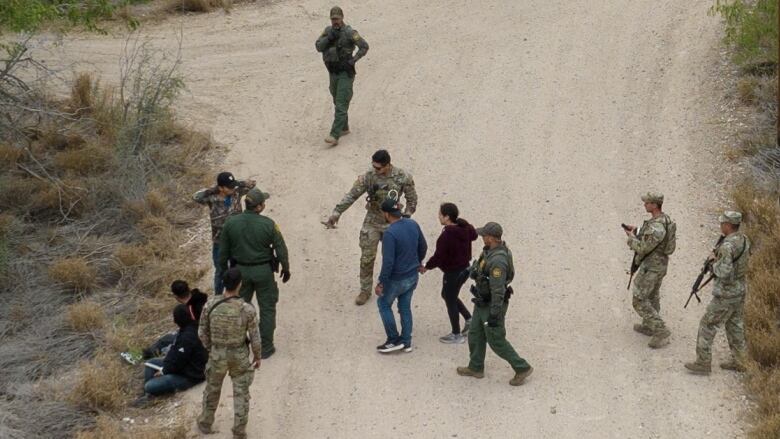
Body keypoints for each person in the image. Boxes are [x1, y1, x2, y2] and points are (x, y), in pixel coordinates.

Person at [322, 150, 417, 306]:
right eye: (373, 166)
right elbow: (352, 195)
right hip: (372, 221)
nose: (375, 170)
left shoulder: (402, 177)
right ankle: (365, 290)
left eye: (378, 168)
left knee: (392, 259)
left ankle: (389, 286)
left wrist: (406, 216)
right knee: (367, 258)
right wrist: (337, 212)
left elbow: (412, 199)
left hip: (392, 223)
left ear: (388, 165)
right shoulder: (369, 177)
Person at [456, 222, 533, 386]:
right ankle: (475, 367)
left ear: (490, 238)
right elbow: (479, 269)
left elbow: (497, 290)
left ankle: (521, 367)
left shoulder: (498, 261)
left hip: (492, 305)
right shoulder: (489, 252)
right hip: (482, 301)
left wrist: (494, 313)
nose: (482, 238)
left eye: (484, 235)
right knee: (475, 334)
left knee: (496, 340)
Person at [219, 187, 290, 359]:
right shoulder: (269, 224)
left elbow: (223, 252)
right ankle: (266, 347)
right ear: (258, 207)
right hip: (263, 271)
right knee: (267, 309)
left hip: (239, 273)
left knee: (239, 309)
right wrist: (286, 268)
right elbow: (281, 248)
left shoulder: (230, 223)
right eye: (263, 203)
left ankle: (239, 346)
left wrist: (224, 272)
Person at [198, 268, 261, 439]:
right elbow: (255, 337)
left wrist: (212, 348)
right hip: (239, 355)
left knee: (212, 389)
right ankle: (239, 431)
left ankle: (205, 423)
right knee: (241, 392)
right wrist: (257, 356)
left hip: (217, 354)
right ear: (240, 284)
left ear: (224, 283)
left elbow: (202, 332)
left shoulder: (210, 304)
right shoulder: (247, 309)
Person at [685, 211, 750, 375]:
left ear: (728, 225)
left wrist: (712, 262)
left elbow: (724, 271)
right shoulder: (743, 240)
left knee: (707, 325)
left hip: (726, 294)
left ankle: (703, 363)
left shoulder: (727, 246)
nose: (721, 225)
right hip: (739, 290)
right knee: (735, 325)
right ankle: (741, 361)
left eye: (723, 223)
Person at [622, 192, 676, 349]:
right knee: (652, 295)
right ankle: (648, 325)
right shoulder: (663, 220)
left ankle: (660, 329)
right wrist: (638, 230)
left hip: (652, 267)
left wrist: (631, 238)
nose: (645, 205)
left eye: (647, 203)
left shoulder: (657, 226)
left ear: (654, 205)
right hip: (656, 265)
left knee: (639, 300)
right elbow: (655, 239)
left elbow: (643, 247)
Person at [375, 198, 427, 353]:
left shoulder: (389, 234)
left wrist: (381, 282)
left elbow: (388, 263)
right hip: (412, 276)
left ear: (386, 213)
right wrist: (418, 262)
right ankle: (406, 341)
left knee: (383, 304)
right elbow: (423, 246)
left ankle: (393, 340)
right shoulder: (413, 224)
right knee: (405, 307)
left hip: (396, 279)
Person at [421, 202, 477, 344]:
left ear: (447, 217)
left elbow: (438, 257)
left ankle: (456, 334)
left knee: (450, 298)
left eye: (440, 214)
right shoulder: (465, 228)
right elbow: (475, 235)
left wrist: (426, 267)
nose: (438, 217)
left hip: (453, 272)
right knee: (447, 295)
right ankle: (469, 320)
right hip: (465, 269)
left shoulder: (446, 236)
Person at [194, 172, 256, 295]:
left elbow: (252, 184)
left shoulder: (237, 192)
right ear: (221, 187)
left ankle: (236, 295)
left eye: (233, 186)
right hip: (220, 241)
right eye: (229, 187)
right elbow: (195, 197)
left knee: (237, 269)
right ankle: (218, 296)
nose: (232, 189)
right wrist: (213, 190)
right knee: (220, 271)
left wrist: (237, 183)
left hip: (237, 240)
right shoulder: (211, 198)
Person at [315, 5, 369, 146]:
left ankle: (335, 134)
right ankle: (344, 127)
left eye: (337, 19)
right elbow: (318, 46)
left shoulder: (350, 32)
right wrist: (328, 38)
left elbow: (364, 46)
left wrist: (353, 60)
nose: (335, 22)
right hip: (332, 72)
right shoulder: (328, 31)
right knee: (336, 99)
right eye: (333, 19)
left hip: (345, 72)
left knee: (341, 102)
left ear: (342, 18)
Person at [134, 304, 208, 406]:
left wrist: (164, 370)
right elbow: (175, 355)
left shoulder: (186, 337)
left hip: (191, 377)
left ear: (178, 321)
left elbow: (178, 361)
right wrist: (166, 366)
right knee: (150, 363)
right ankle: (148, 395)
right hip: (188, 368)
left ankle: (149, 394)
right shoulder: (191, 329)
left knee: (149, 386)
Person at [137, 281, 209, 362]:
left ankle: (142, 356)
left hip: (198, 337)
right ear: (188, 289)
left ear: (176, 296)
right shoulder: (202, 298)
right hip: (202, 334)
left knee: (166, 340)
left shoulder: (190, 309)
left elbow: (193, 329)